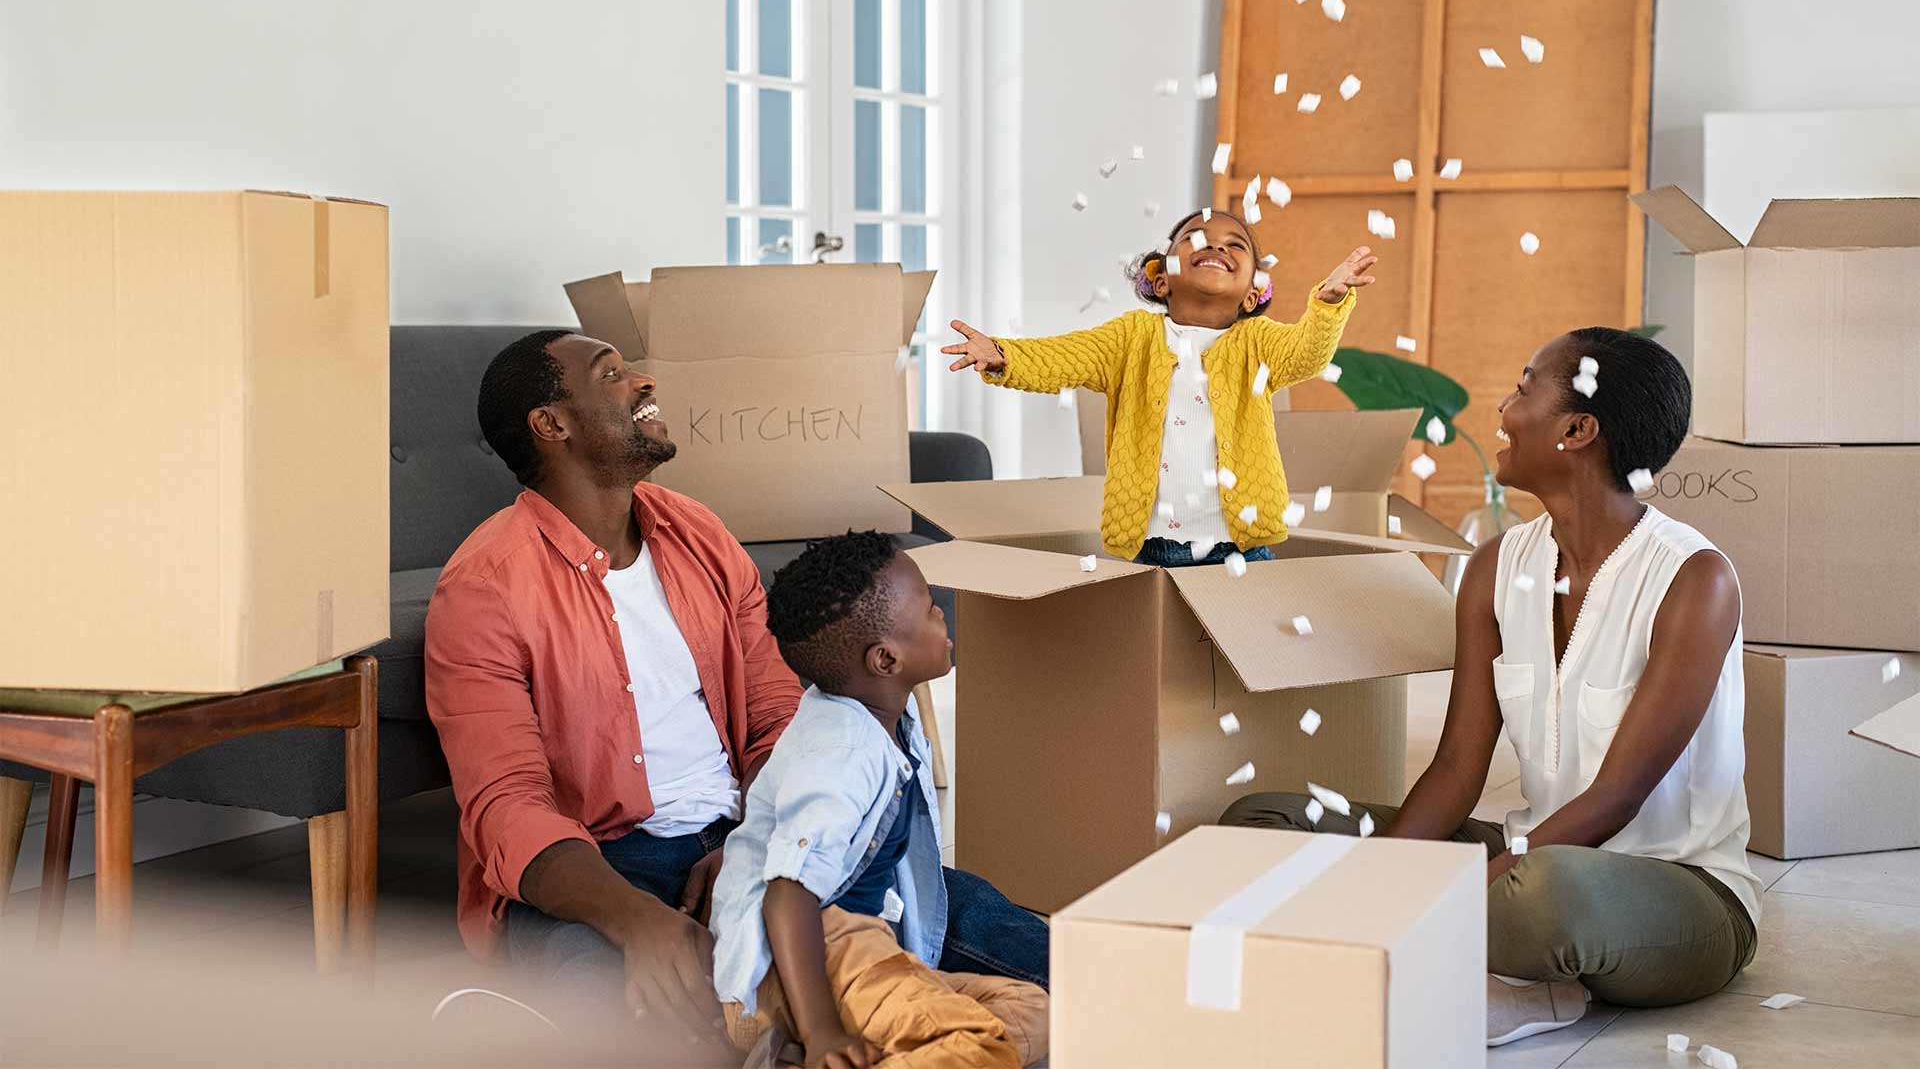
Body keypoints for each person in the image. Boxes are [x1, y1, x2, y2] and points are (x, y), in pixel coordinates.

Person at [1221, 327, 1758, 1047]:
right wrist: (1383, 882)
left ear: (1577, 428)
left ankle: (1494, 967)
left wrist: (1441, 898)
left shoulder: (1694, 579)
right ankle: (1499, 973)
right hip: (1527, 857)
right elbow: (1455, 768)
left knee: (1538, 896)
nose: (1503, 408)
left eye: (1525, 387)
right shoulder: (1496, 566)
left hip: (1673, 889)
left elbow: (1617, 797)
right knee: (1264, 825)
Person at [423, 330, 802, 1052]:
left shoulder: (701, 535)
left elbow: (778, 713)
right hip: (596, 871)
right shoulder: (484, 587)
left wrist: (762, 841)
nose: (644, 381)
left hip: (741, 837)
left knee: (965, 926)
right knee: (642, 1027)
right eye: (612, 374)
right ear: (552, 424)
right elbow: (506, 807)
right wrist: (637, 919)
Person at [710, 532, 1050, 1069]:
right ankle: (817, 1048)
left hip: (860, 948)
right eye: (930, 608)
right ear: (886, 659)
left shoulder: (883, 716)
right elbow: (788, 896)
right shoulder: (841, 753)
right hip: (811, 954)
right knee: (975, 1046)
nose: (943, 616)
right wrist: (822, 1029)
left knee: (1033, 1009)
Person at [940, 208, 1376, 567]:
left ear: (1251, 295)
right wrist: (1003, 354)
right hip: (1152, 548)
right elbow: (1064, 357)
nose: (1217, 245)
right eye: (1197, 238)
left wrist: (1328, 303)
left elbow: (1307, 352)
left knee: (1237, 659)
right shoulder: (1131, 338)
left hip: (1241, 547)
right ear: (1162, 279)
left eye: (1235, 245)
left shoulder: (1258, 342)